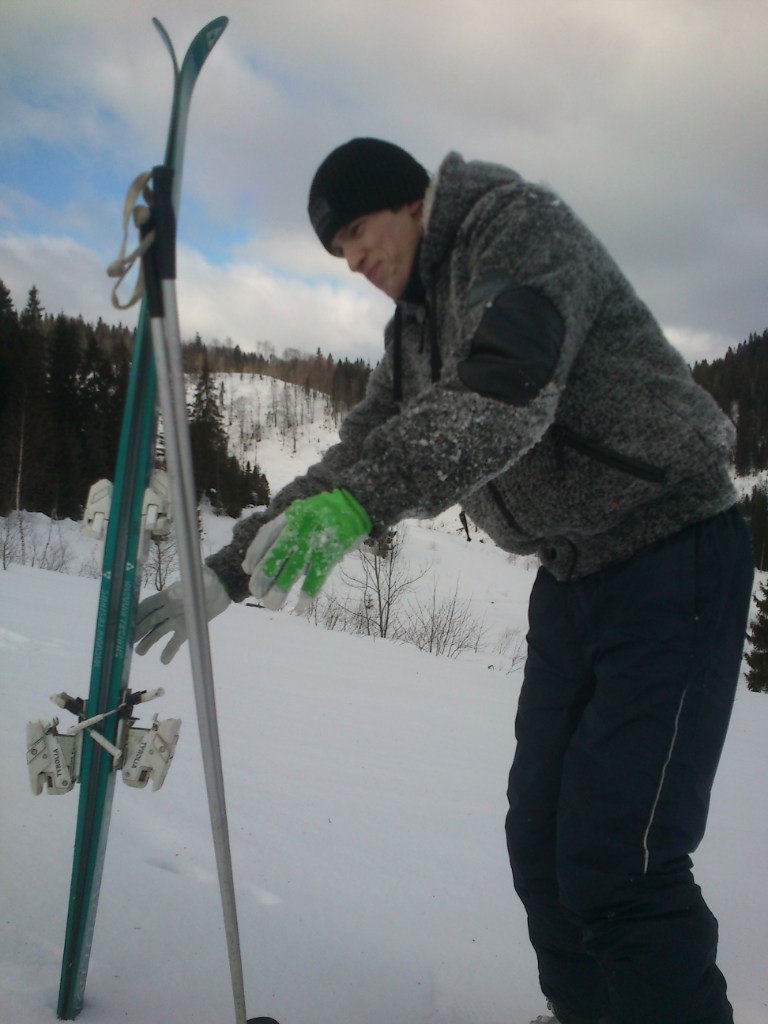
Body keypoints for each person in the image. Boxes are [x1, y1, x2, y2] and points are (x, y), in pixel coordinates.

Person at [134, 138, 755, 1024]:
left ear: (415, 198)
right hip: (574, 577)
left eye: (357, 229)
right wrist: (231, 570)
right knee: (541, 844)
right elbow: (357, 449)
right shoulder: (416, 329)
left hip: (674, 556)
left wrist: (360, 505)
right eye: (337, 251)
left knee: (624, 855)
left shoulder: (518, 234)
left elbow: (504, 393)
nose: (354, 260)